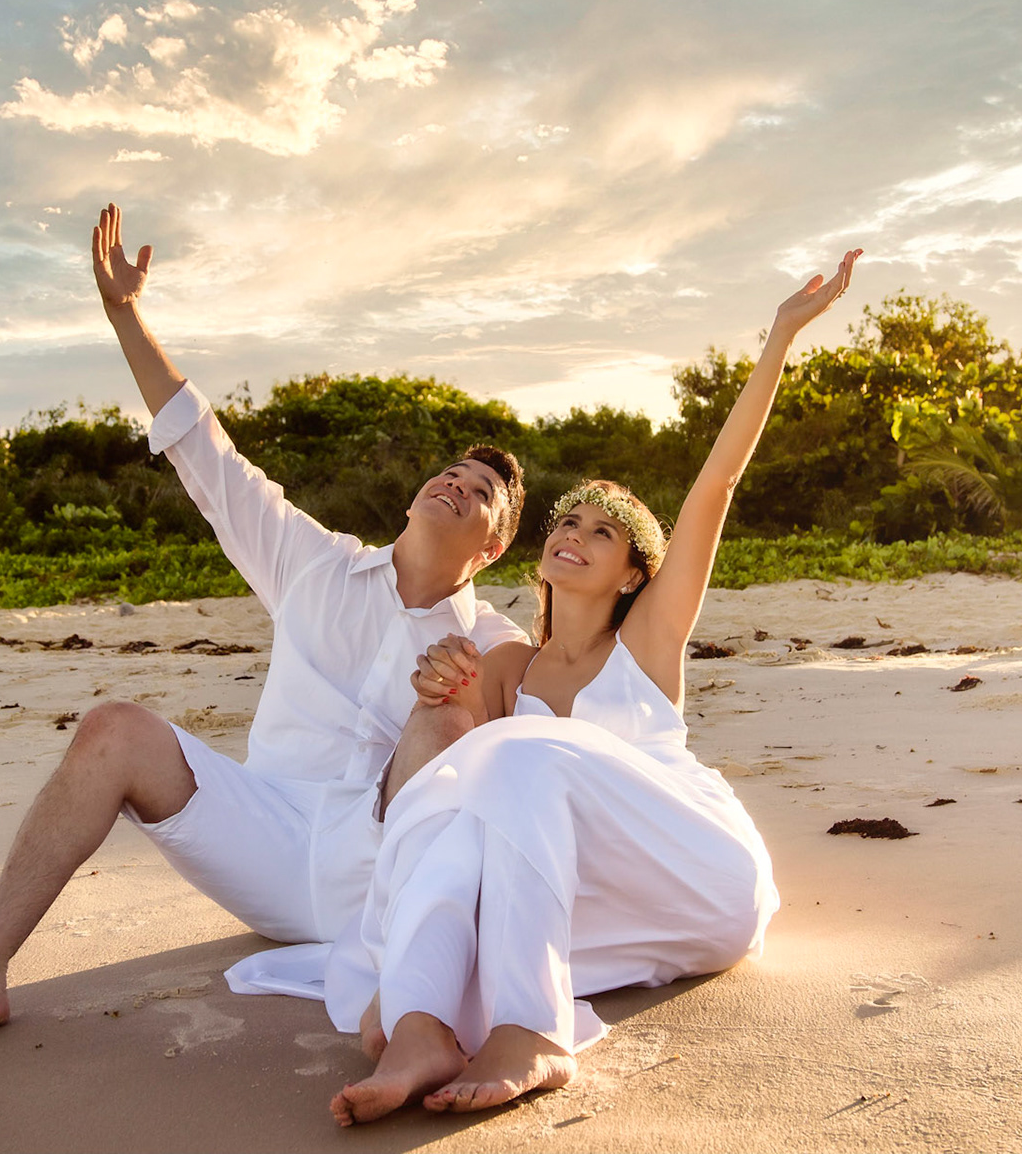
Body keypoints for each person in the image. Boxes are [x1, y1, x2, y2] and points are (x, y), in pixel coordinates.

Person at [0, 205, 529, 1035]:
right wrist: (125, 314)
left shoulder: (490, 637)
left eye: (480, 492)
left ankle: (417, 992)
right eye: (450, 471)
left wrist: (465, 687)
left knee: (458, 712)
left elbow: (548, 703)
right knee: (114, 729)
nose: (455, 484)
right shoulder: (311, 561)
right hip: (267, 838)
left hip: (382, 865)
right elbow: (207, 452)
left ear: (492, 547)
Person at [317, 247, 863, 1124]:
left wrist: (780, 337)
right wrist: (435, 699)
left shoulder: (645, 642)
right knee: (474, 803)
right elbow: (438, 800)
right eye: (567, 519)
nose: (574, 533)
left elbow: (715, 485)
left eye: (602, 533)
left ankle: (531, 1031)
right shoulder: (506, 667)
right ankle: (422, 1028)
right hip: (599, 904)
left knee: (524, 756)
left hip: (697, 875)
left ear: (632, 575)